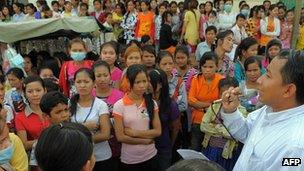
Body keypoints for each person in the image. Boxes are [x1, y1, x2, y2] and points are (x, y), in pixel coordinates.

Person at [220, 50, 304, 170]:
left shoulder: (296, 148)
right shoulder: (269, 109)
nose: (259, 80)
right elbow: (247, 133)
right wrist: (232, 112)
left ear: (288, 90)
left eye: (268, 75)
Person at [113, 64, 161, 171]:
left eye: (144, 81)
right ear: (129, 82)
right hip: (130, 159)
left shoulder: (151, 103)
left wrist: (135, 133)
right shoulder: (119, 105)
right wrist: (145, 141)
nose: (142, 85)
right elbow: (120, 137)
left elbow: (157, 131)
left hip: (151, 156)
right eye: (137, 82)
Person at [70, 68, 112, 171]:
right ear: (74, 83)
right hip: (77, 158)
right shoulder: (69, 104)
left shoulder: (101, 105)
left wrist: (76, 138)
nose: (82, 85)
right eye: (79, 82)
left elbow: (105, 134)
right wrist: (84, 127)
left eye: (86, 82)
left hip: (101, 157)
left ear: (93, 83)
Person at [201, 77, 247, 171]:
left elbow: (235, 134)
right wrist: (223, 129)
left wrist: (215, 127)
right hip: (210, 148)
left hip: (227, 153)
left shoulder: (241, 111)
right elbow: (203, 126)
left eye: (229, 94)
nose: (226, 96)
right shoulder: (214, 106)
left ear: (236, 94)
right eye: (223, 93)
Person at [188, 52, 223, 151]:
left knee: (211, 149)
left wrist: (199, 105)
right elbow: (191, 100)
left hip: (214, 122)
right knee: (196, 148)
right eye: (204, 66)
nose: (207, 70)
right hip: (198, 121)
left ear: (217, 66)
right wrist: (211, 105)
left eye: (211, 67)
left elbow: (221, 102)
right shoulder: (196, 79)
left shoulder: (221, 80)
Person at [93, 60, 124, 171]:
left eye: (105, 75)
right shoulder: (88, 96)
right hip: (95, 150)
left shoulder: (120, 96)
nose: (102, 79)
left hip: (117, 147)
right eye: (98, 75)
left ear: (110, 76)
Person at [148, 69, 180, 171]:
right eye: (146, 81)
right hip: (145, 146)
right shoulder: (142, 101)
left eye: (150, 82)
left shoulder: (170, 104)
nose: (147, 85)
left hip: (163, 147)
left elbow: (175, 128)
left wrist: (170, 145)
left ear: (161, 84)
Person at [15, 76, 50, 151]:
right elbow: (24, 145)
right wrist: (47, 140)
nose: (35, 94)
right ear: (24, 94)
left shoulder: (53, 109)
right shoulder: (20, 117)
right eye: (30, 91)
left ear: (45, 90)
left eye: (38, 90)